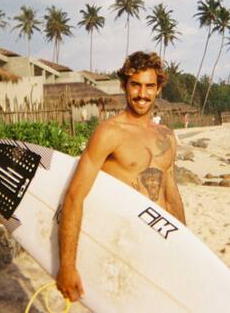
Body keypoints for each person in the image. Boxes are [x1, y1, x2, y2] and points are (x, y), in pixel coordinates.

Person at [55, 51, 187, 302]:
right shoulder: (109, 133)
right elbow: (74, 196)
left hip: (158, 247)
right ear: (123, 85)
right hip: (122, 247)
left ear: (158, 89)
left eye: (149, 86)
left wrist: (185, 245)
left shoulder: (167, 136)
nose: (142, 94)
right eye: (135, 85)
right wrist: (67, 266)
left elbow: (171, 195)